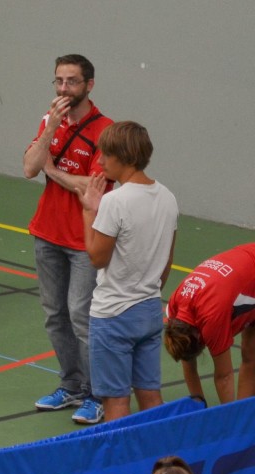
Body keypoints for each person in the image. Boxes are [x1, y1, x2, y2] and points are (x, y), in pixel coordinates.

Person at [23, 53, 113, 425]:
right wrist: (49, 131)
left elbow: (93, 187)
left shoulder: (106, 132)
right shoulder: (50, 121)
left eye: (72, 81)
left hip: (83, 239)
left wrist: (54, 170)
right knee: (55, 315)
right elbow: (30, 168)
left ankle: (97, 394)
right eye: (59, 81)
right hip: (47, 233)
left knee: (82, 315)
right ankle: (71, 385)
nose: (64, 88)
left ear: (89, 85)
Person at [78, 121, 178, 423]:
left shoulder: (114, 201)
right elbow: (167, 262)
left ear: (124, 156)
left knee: (116, 401)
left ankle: (121, 456)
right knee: (150, 395)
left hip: (113, 315)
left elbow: (97, 257)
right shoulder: (168, 197)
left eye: (105, 155)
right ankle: (159, 453)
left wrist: (89, 212)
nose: (100, 161)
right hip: (149, 309)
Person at [164, 243, 255, 405]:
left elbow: (224, 377)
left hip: (248, 273)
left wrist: (228, 416)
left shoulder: (211, 317)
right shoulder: (174, 311)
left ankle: (238, 416)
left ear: (200, 337)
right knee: (250, 353)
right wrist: (200, 406)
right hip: (246, 269)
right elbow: (189, 364)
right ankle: (242, 413)